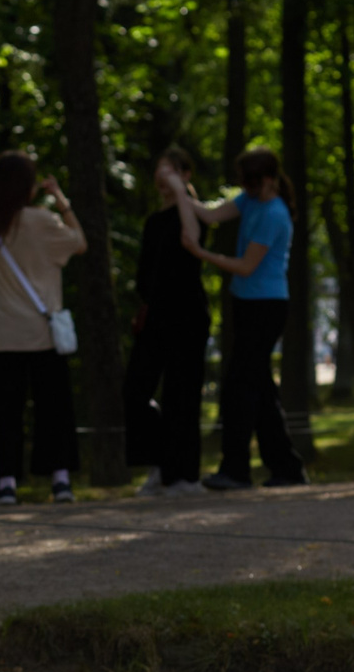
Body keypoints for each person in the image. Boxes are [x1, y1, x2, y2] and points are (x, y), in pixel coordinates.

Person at [187, 147, 308, 489]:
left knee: (239, 388)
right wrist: (179, 189)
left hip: (266, 306)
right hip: (245, 302)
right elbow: (209, 216)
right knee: (260, 390)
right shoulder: (250, 200)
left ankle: (237, 469)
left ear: (268, 180)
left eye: (252, 183)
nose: (247, 188)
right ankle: (287, 468)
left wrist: (202, 254)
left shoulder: (274, 214)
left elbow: (246, 266)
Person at [0, 150, 86, 504]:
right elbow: (80, 243)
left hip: (2, 332)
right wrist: (62, 201)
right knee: (54, 408)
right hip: (41, 333)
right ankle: (60, 479)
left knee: (7, 411)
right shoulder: (44, 220)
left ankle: (6, 482)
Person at [125, 147, 211, 496]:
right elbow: (146, 276)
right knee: (135, 390)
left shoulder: (194, 214)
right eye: (161, 170)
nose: (163, 177)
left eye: (171, 170)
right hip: (156, 316)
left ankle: (184, 475)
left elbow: (192, 240)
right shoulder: (152, 222)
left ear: (185, 174)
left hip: (188, 315)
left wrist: (180, 193)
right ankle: (160, 464)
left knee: (183, 394)